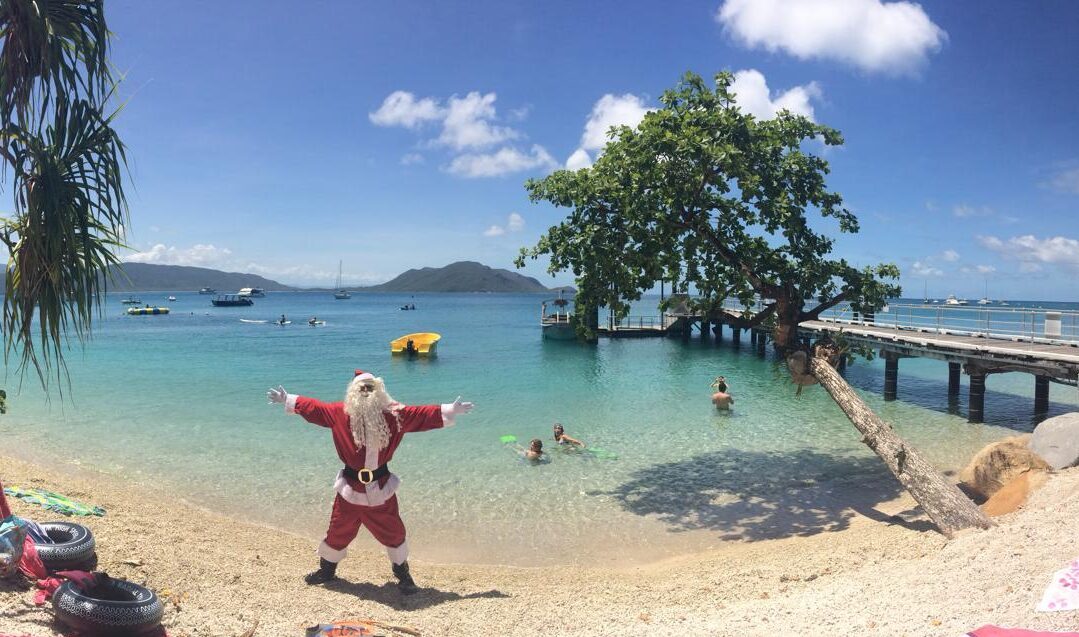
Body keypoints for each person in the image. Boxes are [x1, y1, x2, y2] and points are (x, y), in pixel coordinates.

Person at [266, 369, 474, 593]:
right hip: (350, 489)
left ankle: (402, 574)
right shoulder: (339, 413)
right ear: (353, 391)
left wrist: (450, 409)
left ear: (378, 390)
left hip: (381, 489)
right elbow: (314, 408)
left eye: (370, 388)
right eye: (361, 388)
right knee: (338, 529)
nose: (365, 392)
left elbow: (421, 414)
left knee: (394, 532)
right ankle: (327, 571)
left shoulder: (395, 414)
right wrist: (288, 399)